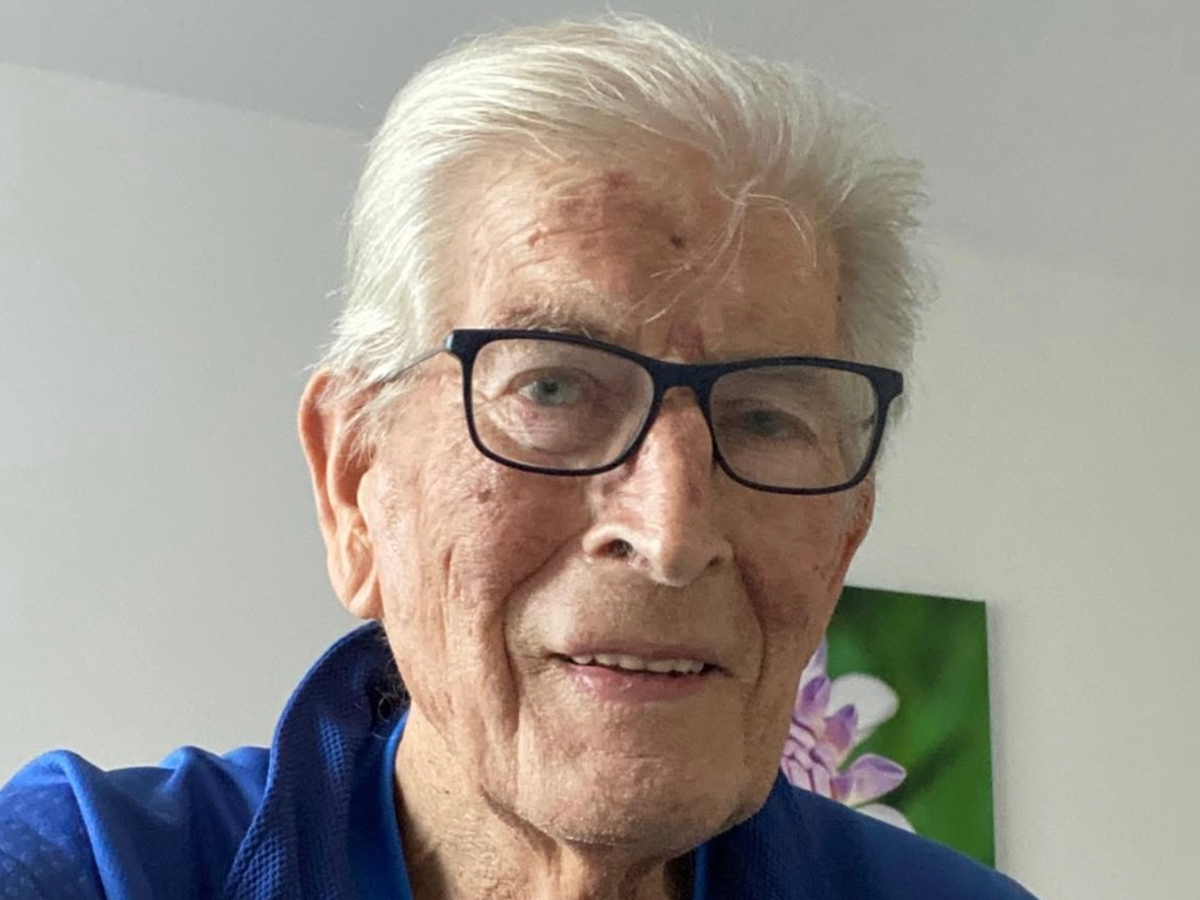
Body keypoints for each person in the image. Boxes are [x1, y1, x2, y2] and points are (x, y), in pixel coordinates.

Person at [0, 16, 1037, 900]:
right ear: (355, 484)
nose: (672, 535)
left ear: (845, 537)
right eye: (552, 388)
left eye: (768, 418)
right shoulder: (85, 864)